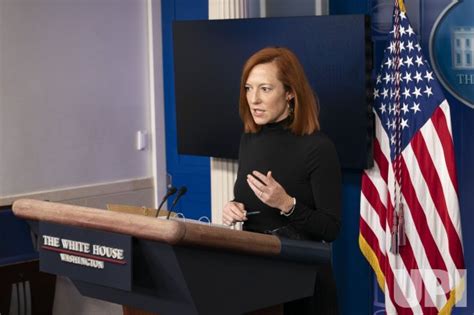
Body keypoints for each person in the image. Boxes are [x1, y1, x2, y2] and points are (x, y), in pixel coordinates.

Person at [222, 47, 341, 315]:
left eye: (265, 89)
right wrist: (233, 206)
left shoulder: (318, 147)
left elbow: (331, 228)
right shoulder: (249, 140)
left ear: (289, 92)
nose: (254, 99)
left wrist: (287, 204)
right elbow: (252, 201)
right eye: (248, 88)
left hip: (303, 284)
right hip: (256, 276)